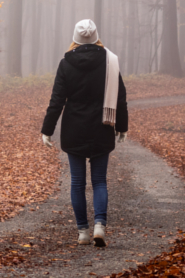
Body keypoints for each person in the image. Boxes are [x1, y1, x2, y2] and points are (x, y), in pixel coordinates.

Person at [40, 19, 128, 247]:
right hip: (102, 126)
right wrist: (122, 127)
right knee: (99, 181)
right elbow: (119, 97)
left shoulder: (66, 63)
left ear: (75, 38)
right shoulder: (110, 62)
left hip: (74, 129)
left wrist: (47, 130)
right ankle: (100, 225)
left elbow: (57, 100)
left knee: (77, 183)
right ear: (96, 36)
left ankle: (83, 232)